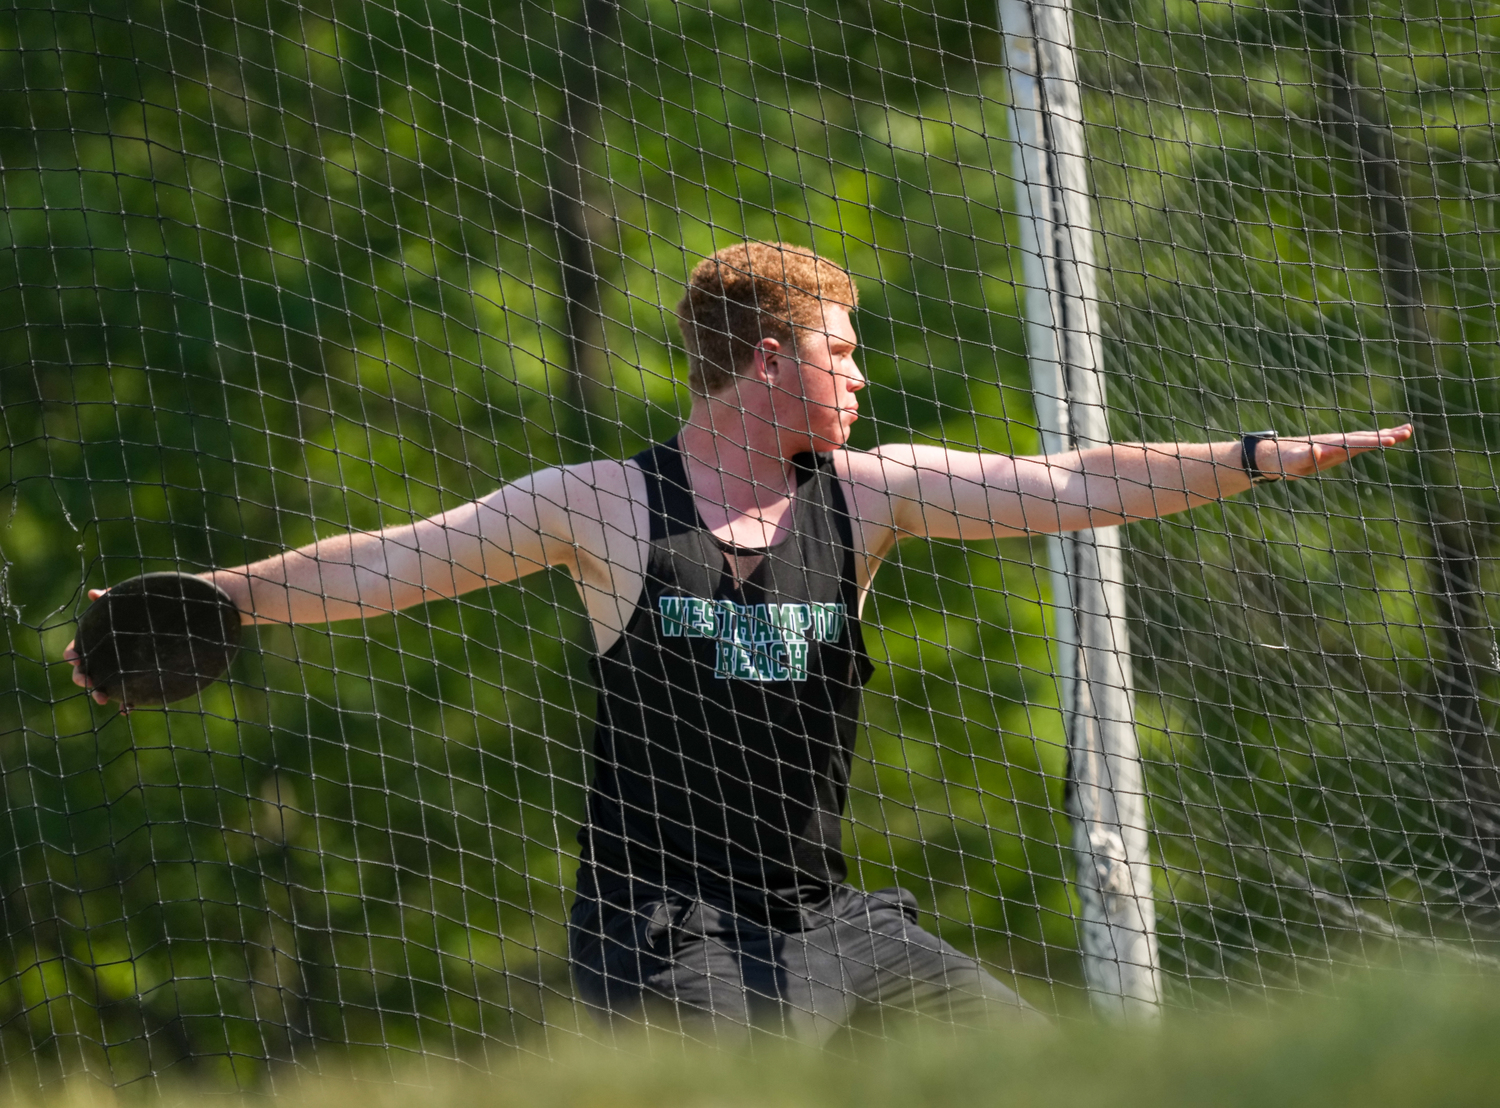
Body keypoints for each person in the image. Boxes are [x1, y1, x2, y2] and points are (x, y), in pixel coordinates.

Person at [66, 241, 1412, 1041]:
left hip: (830, 921)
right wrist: (225, 593)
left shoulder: (870, 496)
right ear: (767, 361)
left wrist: (1253, 457)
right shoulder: (602, 506)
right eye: (841, 348)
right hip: (669, 932)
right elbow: (390, 566)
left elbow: (1074, 485)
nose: (861, 374)